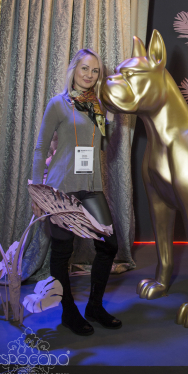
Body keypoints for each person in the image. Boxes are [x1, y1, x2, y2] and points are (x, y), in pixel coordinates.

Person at [32, 48, 121, 336]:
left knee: (108, 245)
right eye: (85, 68)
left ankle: (94, 306)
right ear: (74, 70)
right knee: (62, 251)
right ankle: (69, 312)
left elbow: (102, 146)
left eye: (95, 71)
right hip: (61, 189)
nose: (89, 75)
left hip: (91, 187)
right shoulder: (58, 104)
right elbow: (40, 148)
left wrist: (110, 118)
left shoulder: (97, 106)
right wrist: (37, 191)